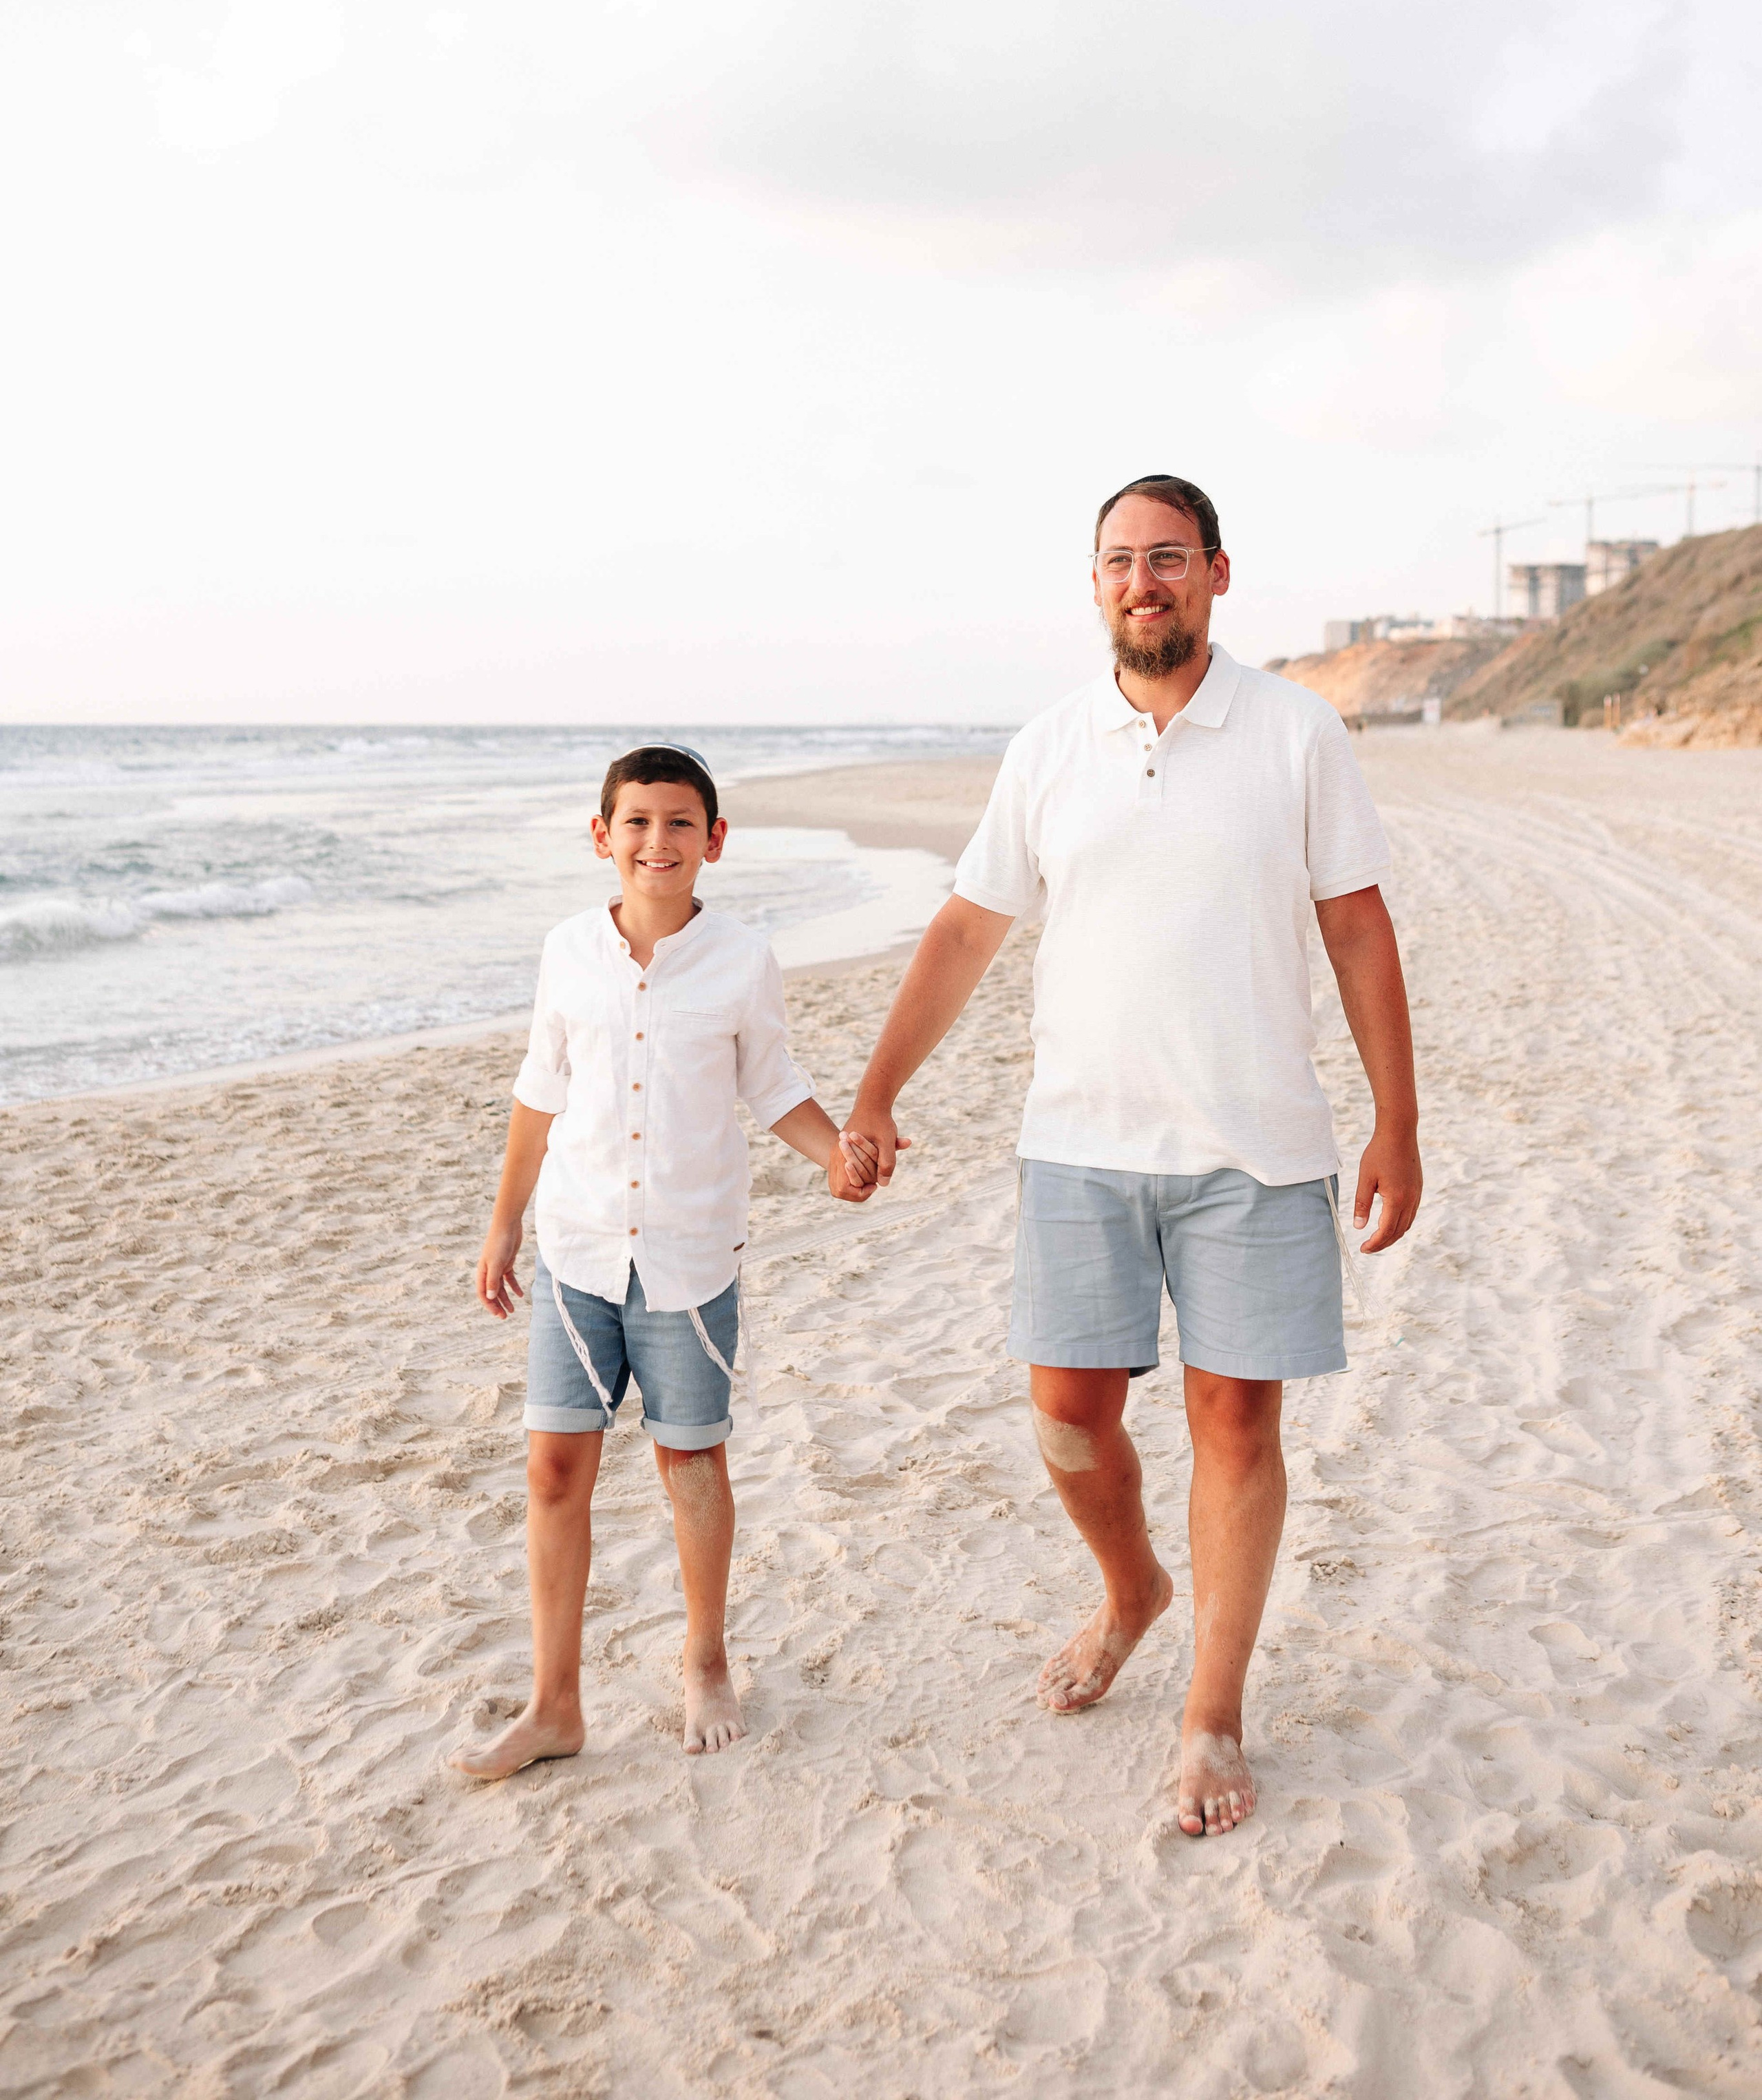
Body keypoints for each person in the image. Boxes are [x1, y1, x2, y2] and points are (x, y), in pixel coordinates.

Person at [840, 475, 1421, 1838]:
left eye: (1166, 557)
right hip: (1079, 1147)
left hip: (1254, 1144)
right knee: (1066, 1415)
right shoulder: (1047, 747)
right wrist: (873, 1091)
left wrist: (1396, 1117)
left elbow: (1354, 927)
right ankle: (1130, 1592)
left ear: (1216, 573)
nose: (1140, 581)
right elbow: (965, 932)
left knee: (1234, 1421)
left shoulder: (1294, 732)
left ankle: (1209, 1713)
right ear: (1091, 583)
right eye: (1117, 560)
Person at [450, 743, 874, 1779]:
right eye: (637, 822)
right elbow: (538, 1091)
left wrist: (839, 1157)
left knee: (690, 1464)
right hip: (577, 1249)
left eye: (680, 823)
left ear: (714, 841)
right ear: (603, 837)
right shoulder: (567, 952)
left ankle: (706, 1659)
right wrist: (504, 1223)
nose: (658, 841)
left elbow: (772, 1085)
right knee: (554, 1469)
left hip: (688, 1255)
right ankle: (556, 1707)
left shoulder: (741, 958)